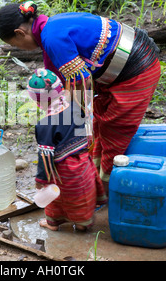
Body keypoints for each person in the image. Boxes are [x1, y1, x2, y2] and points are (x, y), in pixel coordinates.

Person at [0, 1, 161, 194]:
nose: (21, 48)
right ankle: (96, 184)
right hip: (123, 68)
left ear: (20, 33)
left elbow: (81, 82)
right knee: (99, 128)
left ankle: (107, 196)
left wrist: (73, 121)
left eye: (16, 45)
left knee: (114, 134)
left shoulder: (53, 38)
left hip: (137, 71)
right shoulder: (53, 25)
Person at [27, 68, 107, 231]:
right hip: (83, 163)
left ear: (38, 102)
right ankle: (82, 224)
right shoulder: (76, 108)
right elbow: (86, 133)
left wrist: (41, 180)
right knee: (81, 195)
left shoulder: (44, 125)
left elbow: (45, 156)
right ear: (60, 90)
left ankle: (53, 223)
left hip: (62, 170)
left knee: (57, 198)